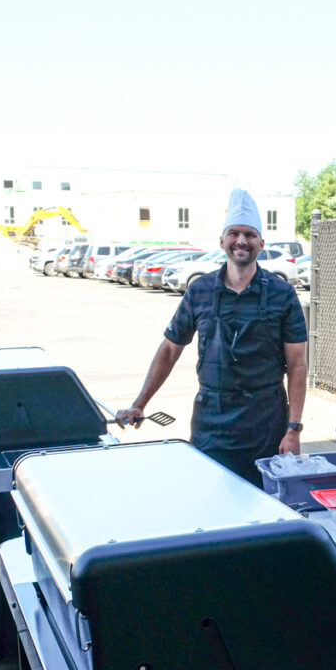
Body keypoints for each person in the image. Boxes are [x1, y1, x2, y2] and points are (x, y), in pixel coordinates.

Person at [116, 189, 308, 487]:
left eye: (249, 234)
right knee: (210, 502)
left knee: (265, 512)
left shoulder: (282, 293)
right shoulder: (200, 290)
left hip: (265, 424)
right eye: (234, 233)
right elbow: (170, 349)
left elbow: (297, 365)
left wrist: (293, 429)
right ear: (222, 241)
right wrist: (140, 403)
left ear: (261, 243)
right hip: (211, 424)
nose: (241, 241)